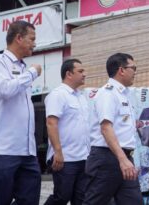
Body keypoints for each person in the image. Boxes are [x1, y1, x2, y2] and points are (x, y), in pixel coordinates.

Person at [0, 20, 43, 205]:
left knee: (29, 200)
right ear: (19, 38)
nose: (34, 43)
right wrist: (32, 73)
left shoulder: (23, 68)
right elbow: (5, 89)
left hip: (27, 150)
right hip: (3, 148)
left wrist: (27, 72)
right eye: (32, 39)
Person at [83, 53, 142, 205]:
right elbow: (105, 128)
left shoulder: (126, 95)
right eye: (133, 68)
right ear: (121, 70)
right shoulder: (107, 93)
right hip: (106, 159)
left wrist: (127, 160)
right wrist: (122, 159)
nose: (135, 71)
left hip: (124, 158)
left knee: (134, 202)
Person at [43, 59, 89, 205]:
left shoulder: (82, 96)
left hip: (83, 157)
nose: (84, 74)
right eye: (80, 71)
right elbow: (51, 123)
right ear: (69, 74)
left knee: (80, 199)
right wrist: (58, 152)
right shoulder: (58, 95)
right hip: (65, 158)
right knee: (62, 197)